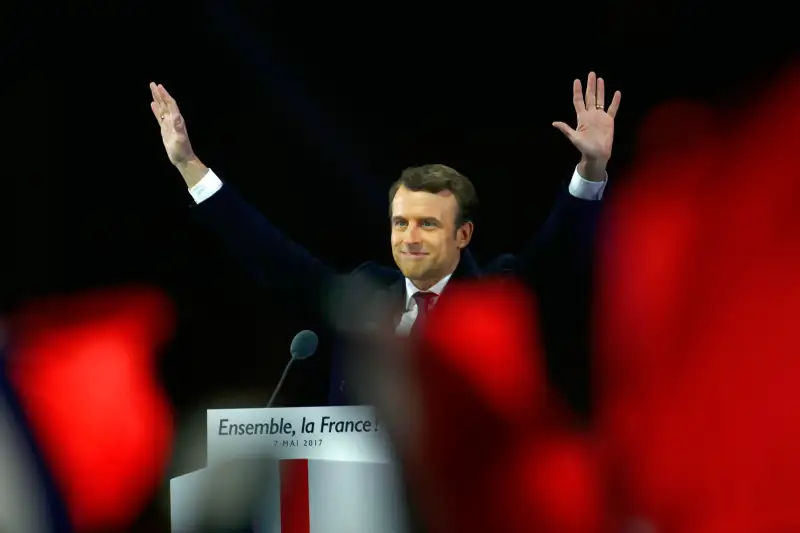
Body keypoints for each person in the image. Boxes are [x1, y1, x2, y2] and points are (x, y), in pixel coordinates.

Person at [148, 72, 622, 407]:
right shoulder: (368, 294)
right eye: (401, 223)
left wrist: (591, 170)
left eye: (428, 224)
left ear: (464, 234)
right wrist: (191, 167)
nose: (410, 238)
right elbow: (276, 260)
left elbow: (558, 257)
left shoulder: (496, 292)